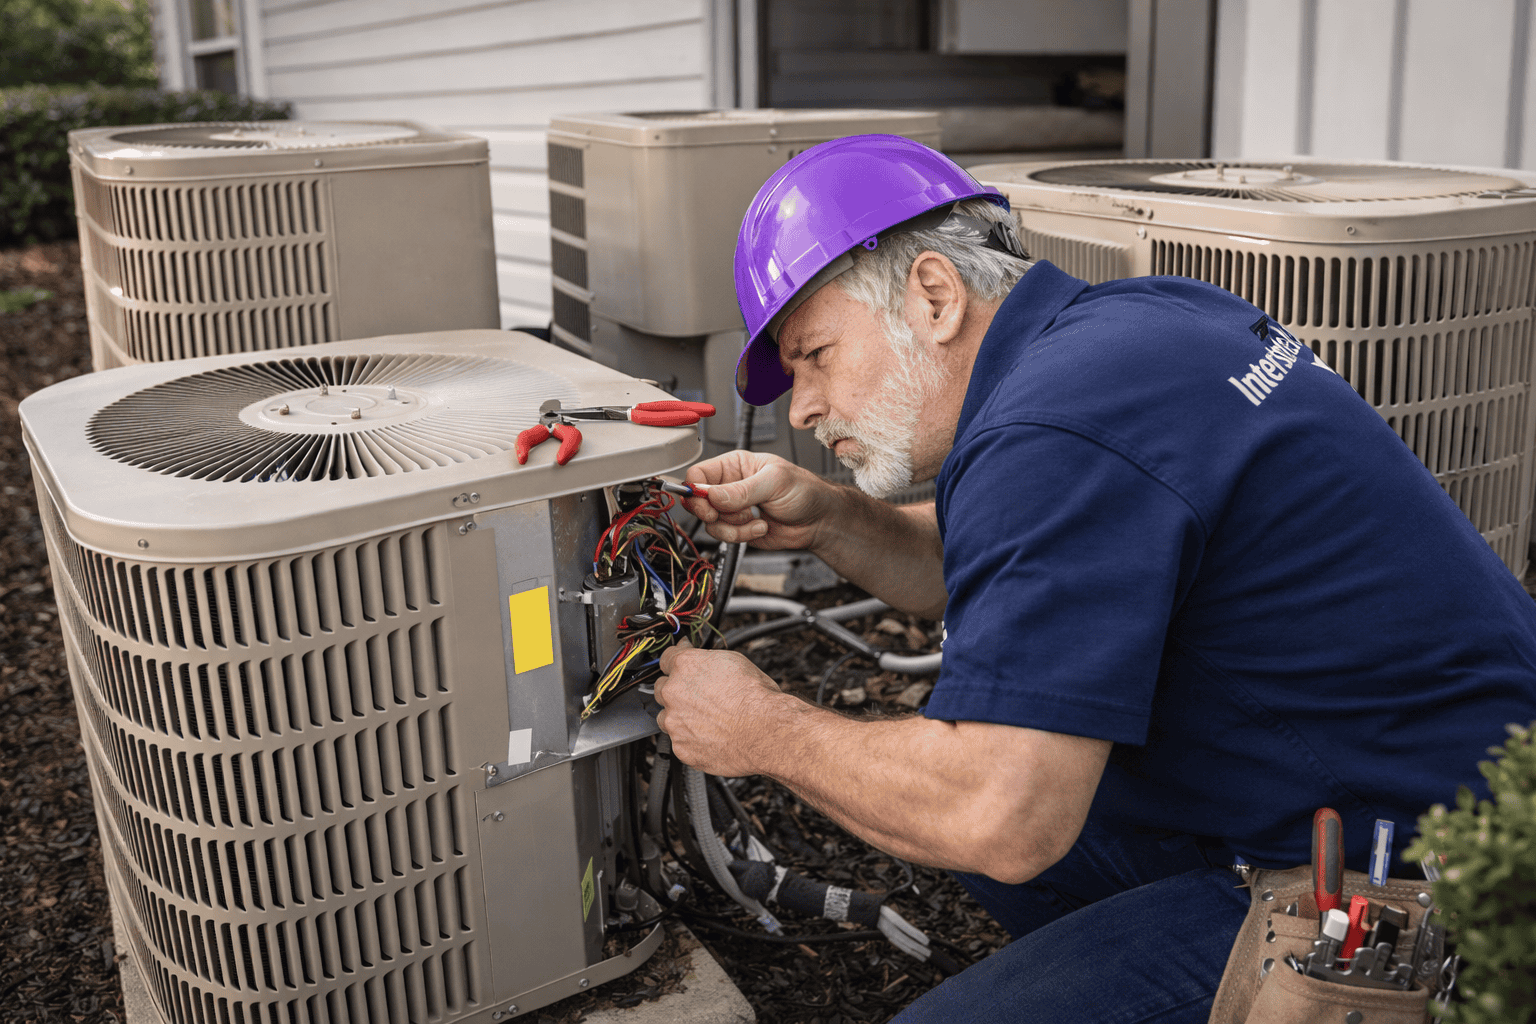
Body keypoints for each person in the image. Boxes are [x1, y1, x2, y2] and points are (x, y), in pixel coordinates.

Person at [651, 135, 1536, 1022]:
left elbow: (1001, 813)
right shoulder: (1135, 328)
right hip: (1435, 787)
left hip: (1435, 882)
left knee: (964, 809)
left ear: (932, 295)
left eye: (817, 355)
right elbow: (1010, 573)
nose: (802, 408)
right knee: (967, 789)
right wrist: (836, 518)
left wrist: (763, 730)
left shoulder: (1051, 432)